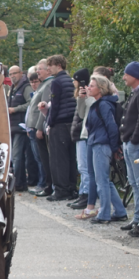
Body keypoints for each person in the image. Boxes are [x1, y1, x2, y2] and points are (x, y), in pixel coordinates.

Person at [79, 73, 126, 223]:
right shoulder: (98, 104)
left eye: (92, 86)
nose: (88, 88)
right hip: (96, 142)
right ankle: (119, 211)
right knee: (104, 179)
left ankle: (104, 214)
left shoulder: (104, 104)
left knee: (102, 180)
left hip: (101, 143)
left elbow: (111, 126)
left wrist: (114, 147)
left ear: (101, 88)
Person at [119, 62, 139, 235]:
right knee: (133, 182)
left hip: (135, 142)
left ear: (135, 75)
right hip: (129, 141)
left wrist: (134, 138)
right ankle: (137, 216)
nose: (124, 77)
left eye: (126, 74)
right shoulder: (137, 91)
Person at [45, 55, 78, 202]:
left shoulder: (56, 82)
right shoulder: (70, 81)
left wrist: (50, 123)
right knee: (71, 158)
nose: (48, 68)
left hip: (60, 124)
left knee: (58, 159)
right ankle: (72, 187)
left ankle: (60, 190)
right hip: (72, 122)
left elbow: (55, 104)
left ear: (58, 65)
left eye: (50, 65)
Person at [27, 59, 54, 197]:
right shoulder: (43, 84)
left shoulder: (48, 85)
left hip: (39, 127)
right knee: (39, 158)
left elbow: (44, 108)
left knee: (43, 158)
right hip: (32, 127)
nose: (37, 72)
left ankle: (45, 184)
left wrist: (39, 128)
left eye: (39, 69)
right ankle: (44, 183)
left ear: (47, 70)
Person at [6, 64, 34, 192]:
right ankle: (20, 182)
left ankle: (18, 183)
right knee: (14, 156)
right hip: (13, 126)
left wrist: (15, 109)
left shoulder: (25, 87)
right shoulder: (12, 88)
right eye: (10, 74)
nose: (12, 76)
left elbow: (30, 103)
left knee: (17, 156)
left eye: (14, 73)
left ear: (21, 73)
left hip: (21, 126)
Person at [70, 68, 93, 211]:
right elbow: (80, 110)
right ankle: (82, 192)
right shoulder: (79, 95)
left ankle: (86, 194)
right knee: (81, 166)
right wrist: (80, 98)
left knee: (84, 167)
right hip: (80, 133)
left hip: (83, 133)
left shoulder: (91, 96)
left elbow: (83, 114)